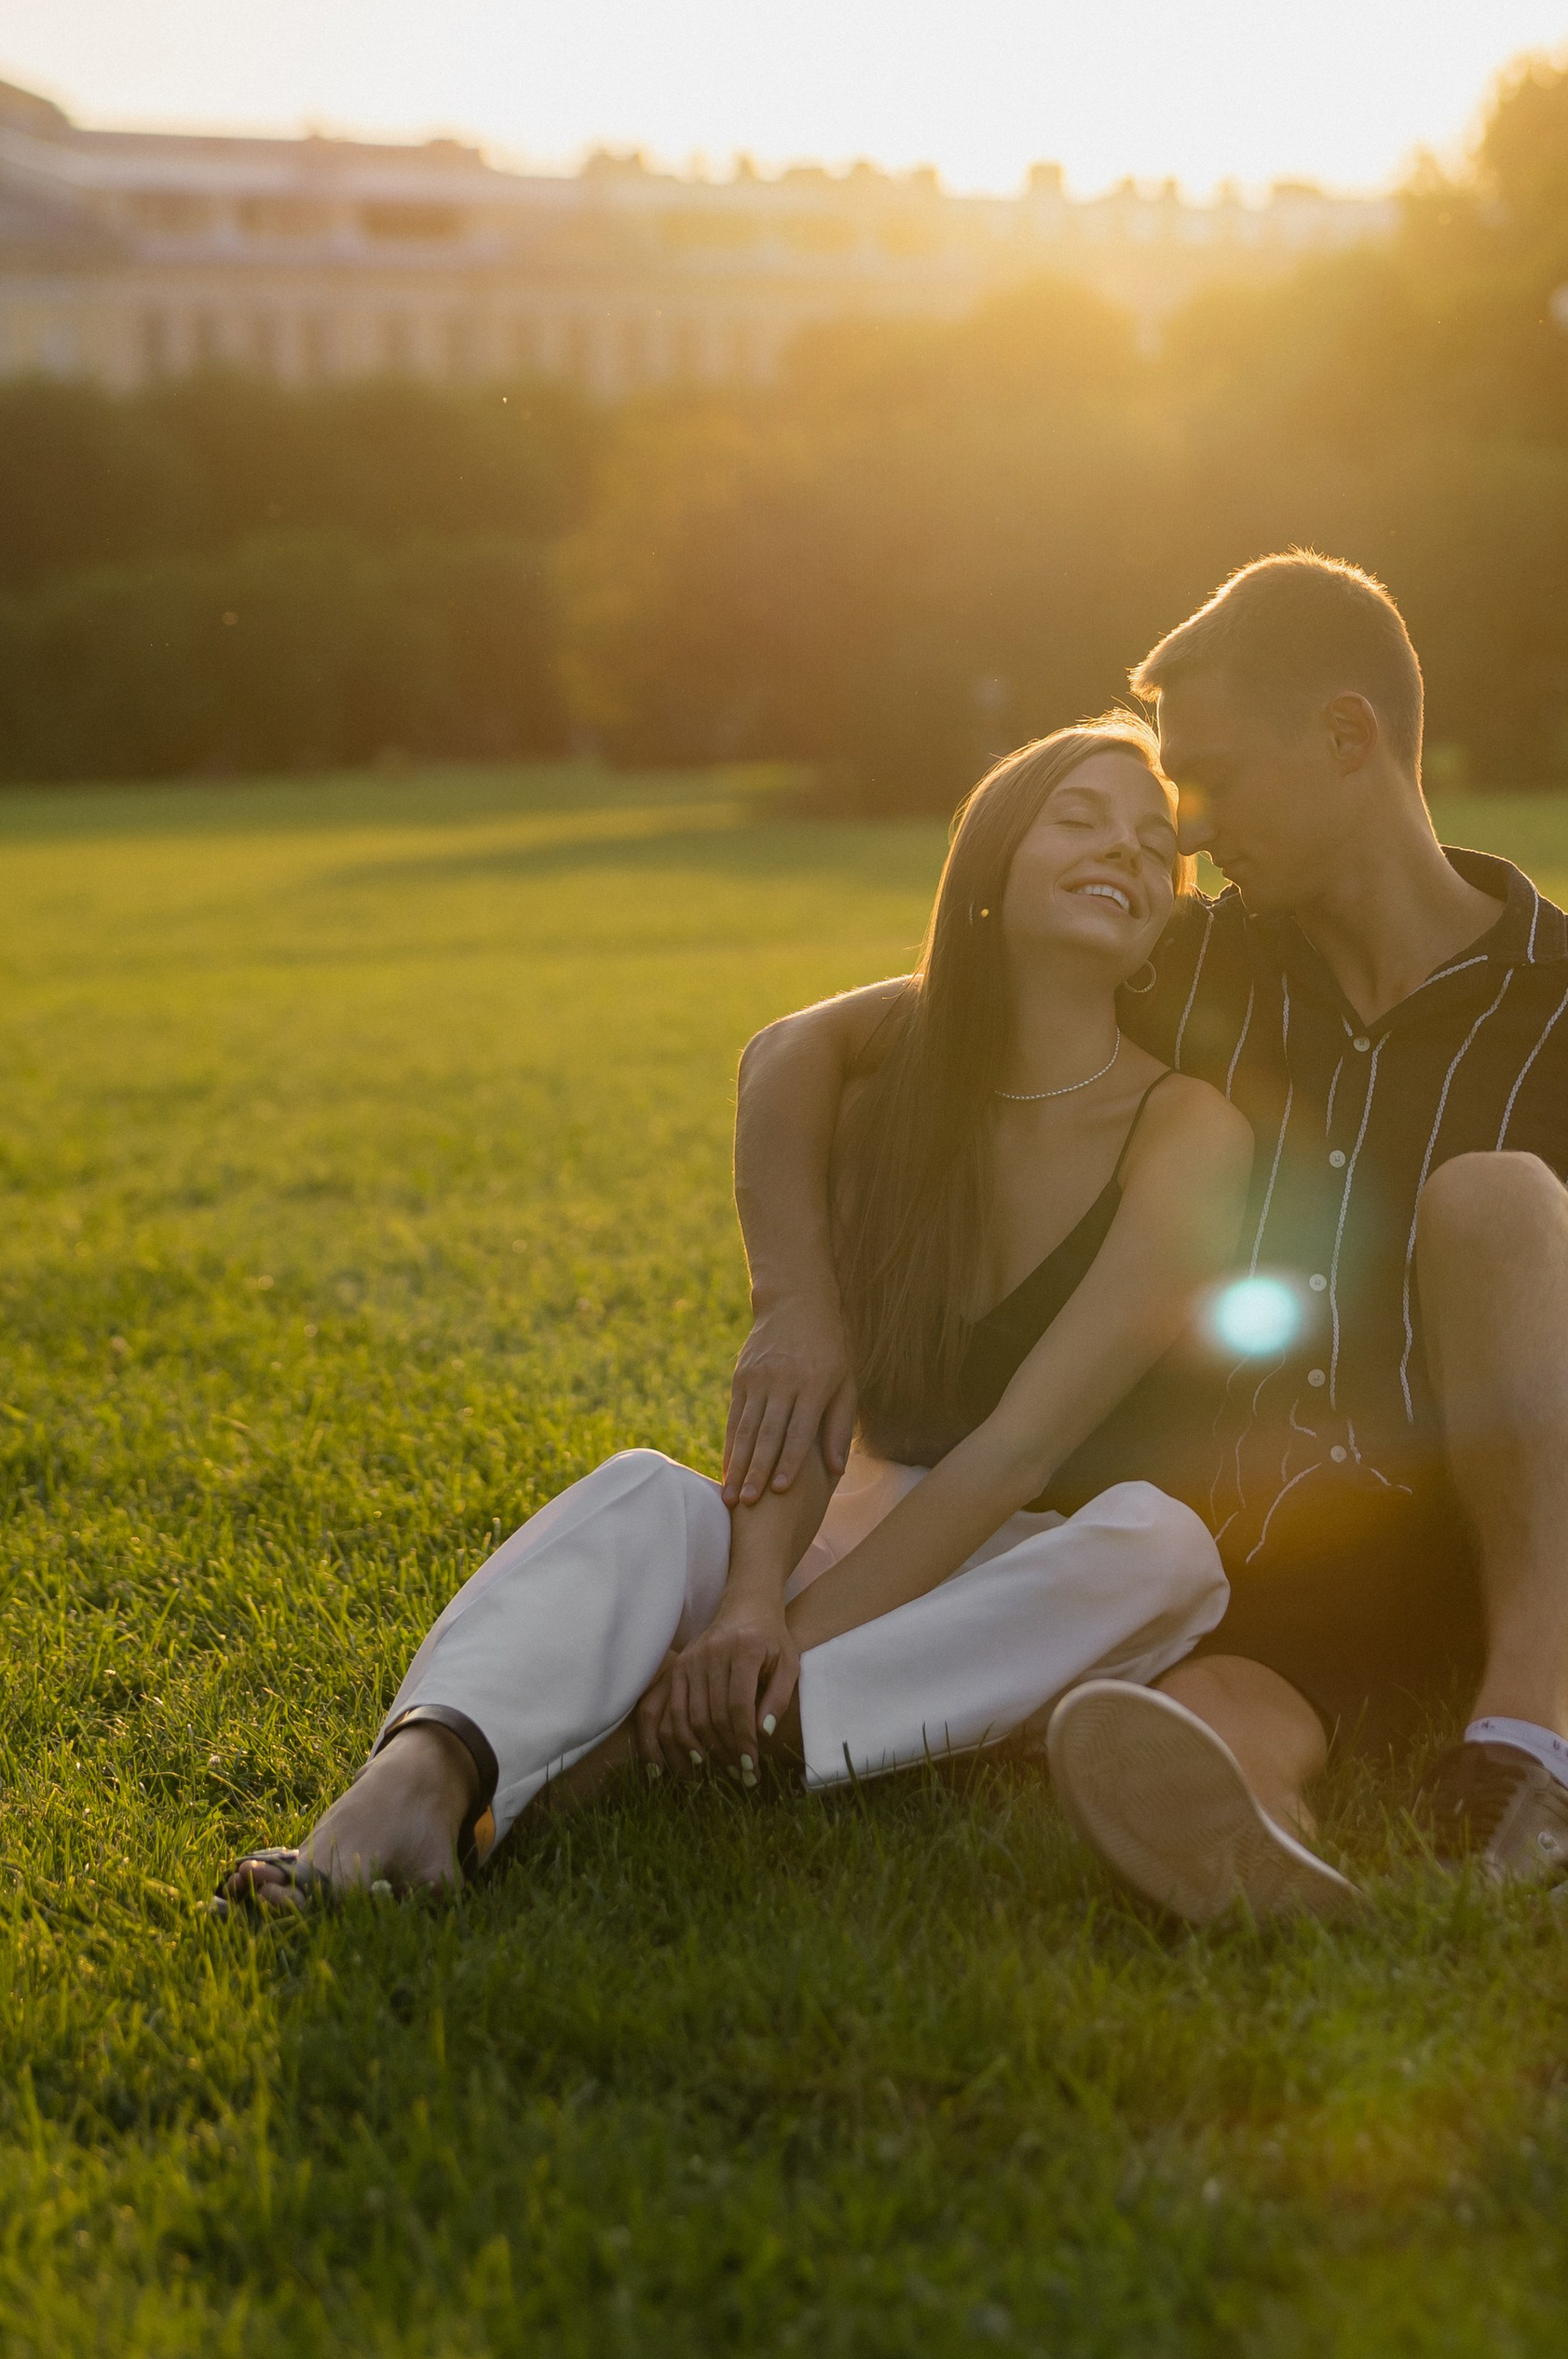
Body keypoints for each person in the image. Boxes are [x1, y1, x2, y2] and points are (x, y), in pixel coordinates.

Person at [731, 554, 1568, 1923]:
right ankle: (1258, 1839)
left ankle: (1525, 1753)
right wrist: (796, 1304)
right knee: (1196, 1713)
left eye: (1215, 780)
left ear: (1349, 737)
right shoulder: (1192, 965)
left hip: (1556, 1540)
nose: (1182, 831)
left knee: (1492, 1198)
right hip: (1298, 1544)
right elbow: (802, 1048)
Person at [217, 720, 1250, 1911]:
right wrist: (755, 1584)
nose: (1123, 850)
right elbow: (802, 1392)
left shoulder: (1189, 1132)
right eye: (1080, 818)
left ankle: (648, 1749)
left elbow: (1018, 1452)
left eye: (1153, 845)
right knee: (646, 1493)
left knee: (1163, 1548)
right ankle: (409, 1785)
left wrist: (775, 1636)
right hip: (832, 1526)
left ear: (1164, 921)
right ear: (991, 858)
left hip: (1005, 1570)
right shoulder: (886, 1085)